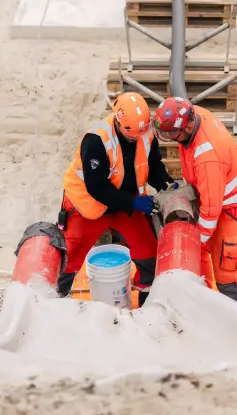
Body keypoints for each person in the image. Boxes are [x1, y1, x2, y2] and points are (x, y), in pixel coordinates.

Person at [59, 92, 173, 301]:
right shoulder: (96, 141)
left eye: (141, 133)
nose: (136, 139)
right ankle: (54, 301)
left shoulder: (145, 134)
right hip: (87, 204)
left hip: (126, 205)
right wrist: (132, 203)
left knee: (148, 253)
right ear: (119, 124)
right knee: (69, 256)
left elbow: (154, 168)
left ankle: (148, 306)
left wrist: (167, 184)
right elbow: (97, 187)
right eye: (131, 136)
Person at [153, 97, 237, 310]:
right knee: (203, 260)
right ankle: (208, 309)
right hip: (213, 195)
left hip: (232, 209)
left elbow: (211, 212)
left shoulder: (208, 157)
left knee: (229, 272)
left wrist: (195, 243)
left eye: (172, 134)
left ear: (188, 126)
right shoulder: (192, 118)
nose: (170, 139)